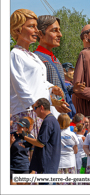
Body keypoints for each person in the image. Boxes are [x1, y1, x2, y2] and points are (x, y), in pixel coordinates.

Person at [10, 9, 63, 139]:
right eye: (31, 26)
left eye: (36, 27)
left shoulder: (33, 56)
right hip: (27, 112)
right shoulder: (15, 54)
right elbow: (20, 85)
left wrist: (52, 87)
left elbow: (40, 81)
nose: (36, 31)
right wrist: (35, 107)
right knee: (27, 155)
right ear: (17, 30)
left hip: (39, 111)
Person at [34, 15, 80, 118]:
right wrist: (55, 101)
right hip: (49, 113)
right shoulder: (37, 58)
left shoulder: (55, 59)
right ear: (41, 34)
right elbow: (40, 88)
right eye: (54, 30)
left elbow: (58, 85)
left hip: (61, 114)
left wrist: (72, 88)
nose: (60, 34)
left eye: (59, 30)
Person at [19, 98, 61, 184]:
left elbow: (41, 143)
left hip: (47, 166)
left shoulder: (48, 121)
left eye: (35, 108)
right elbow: (47, 143)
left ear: (41, 107)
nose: (34, 111)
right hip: (49, 166)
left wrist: (25, 137)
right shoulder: (51, 120)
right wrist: (30, 144)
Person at [10, 118, 34, 185]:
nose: (19, 127)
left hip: (24, 167)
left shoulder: (30, 138)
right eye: (18, 125)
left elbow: (33, 155)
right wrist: (10, 143)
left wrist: (33, 170)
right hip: (12, 167)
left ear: (26, 129)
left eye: (21, 126)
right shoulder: (11, 135)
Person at [57, 114, 79, 184]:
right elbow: (75, 151)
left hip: (58, 163)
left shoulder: (55, 134)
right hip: (70, 162)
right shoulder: (72, 134)